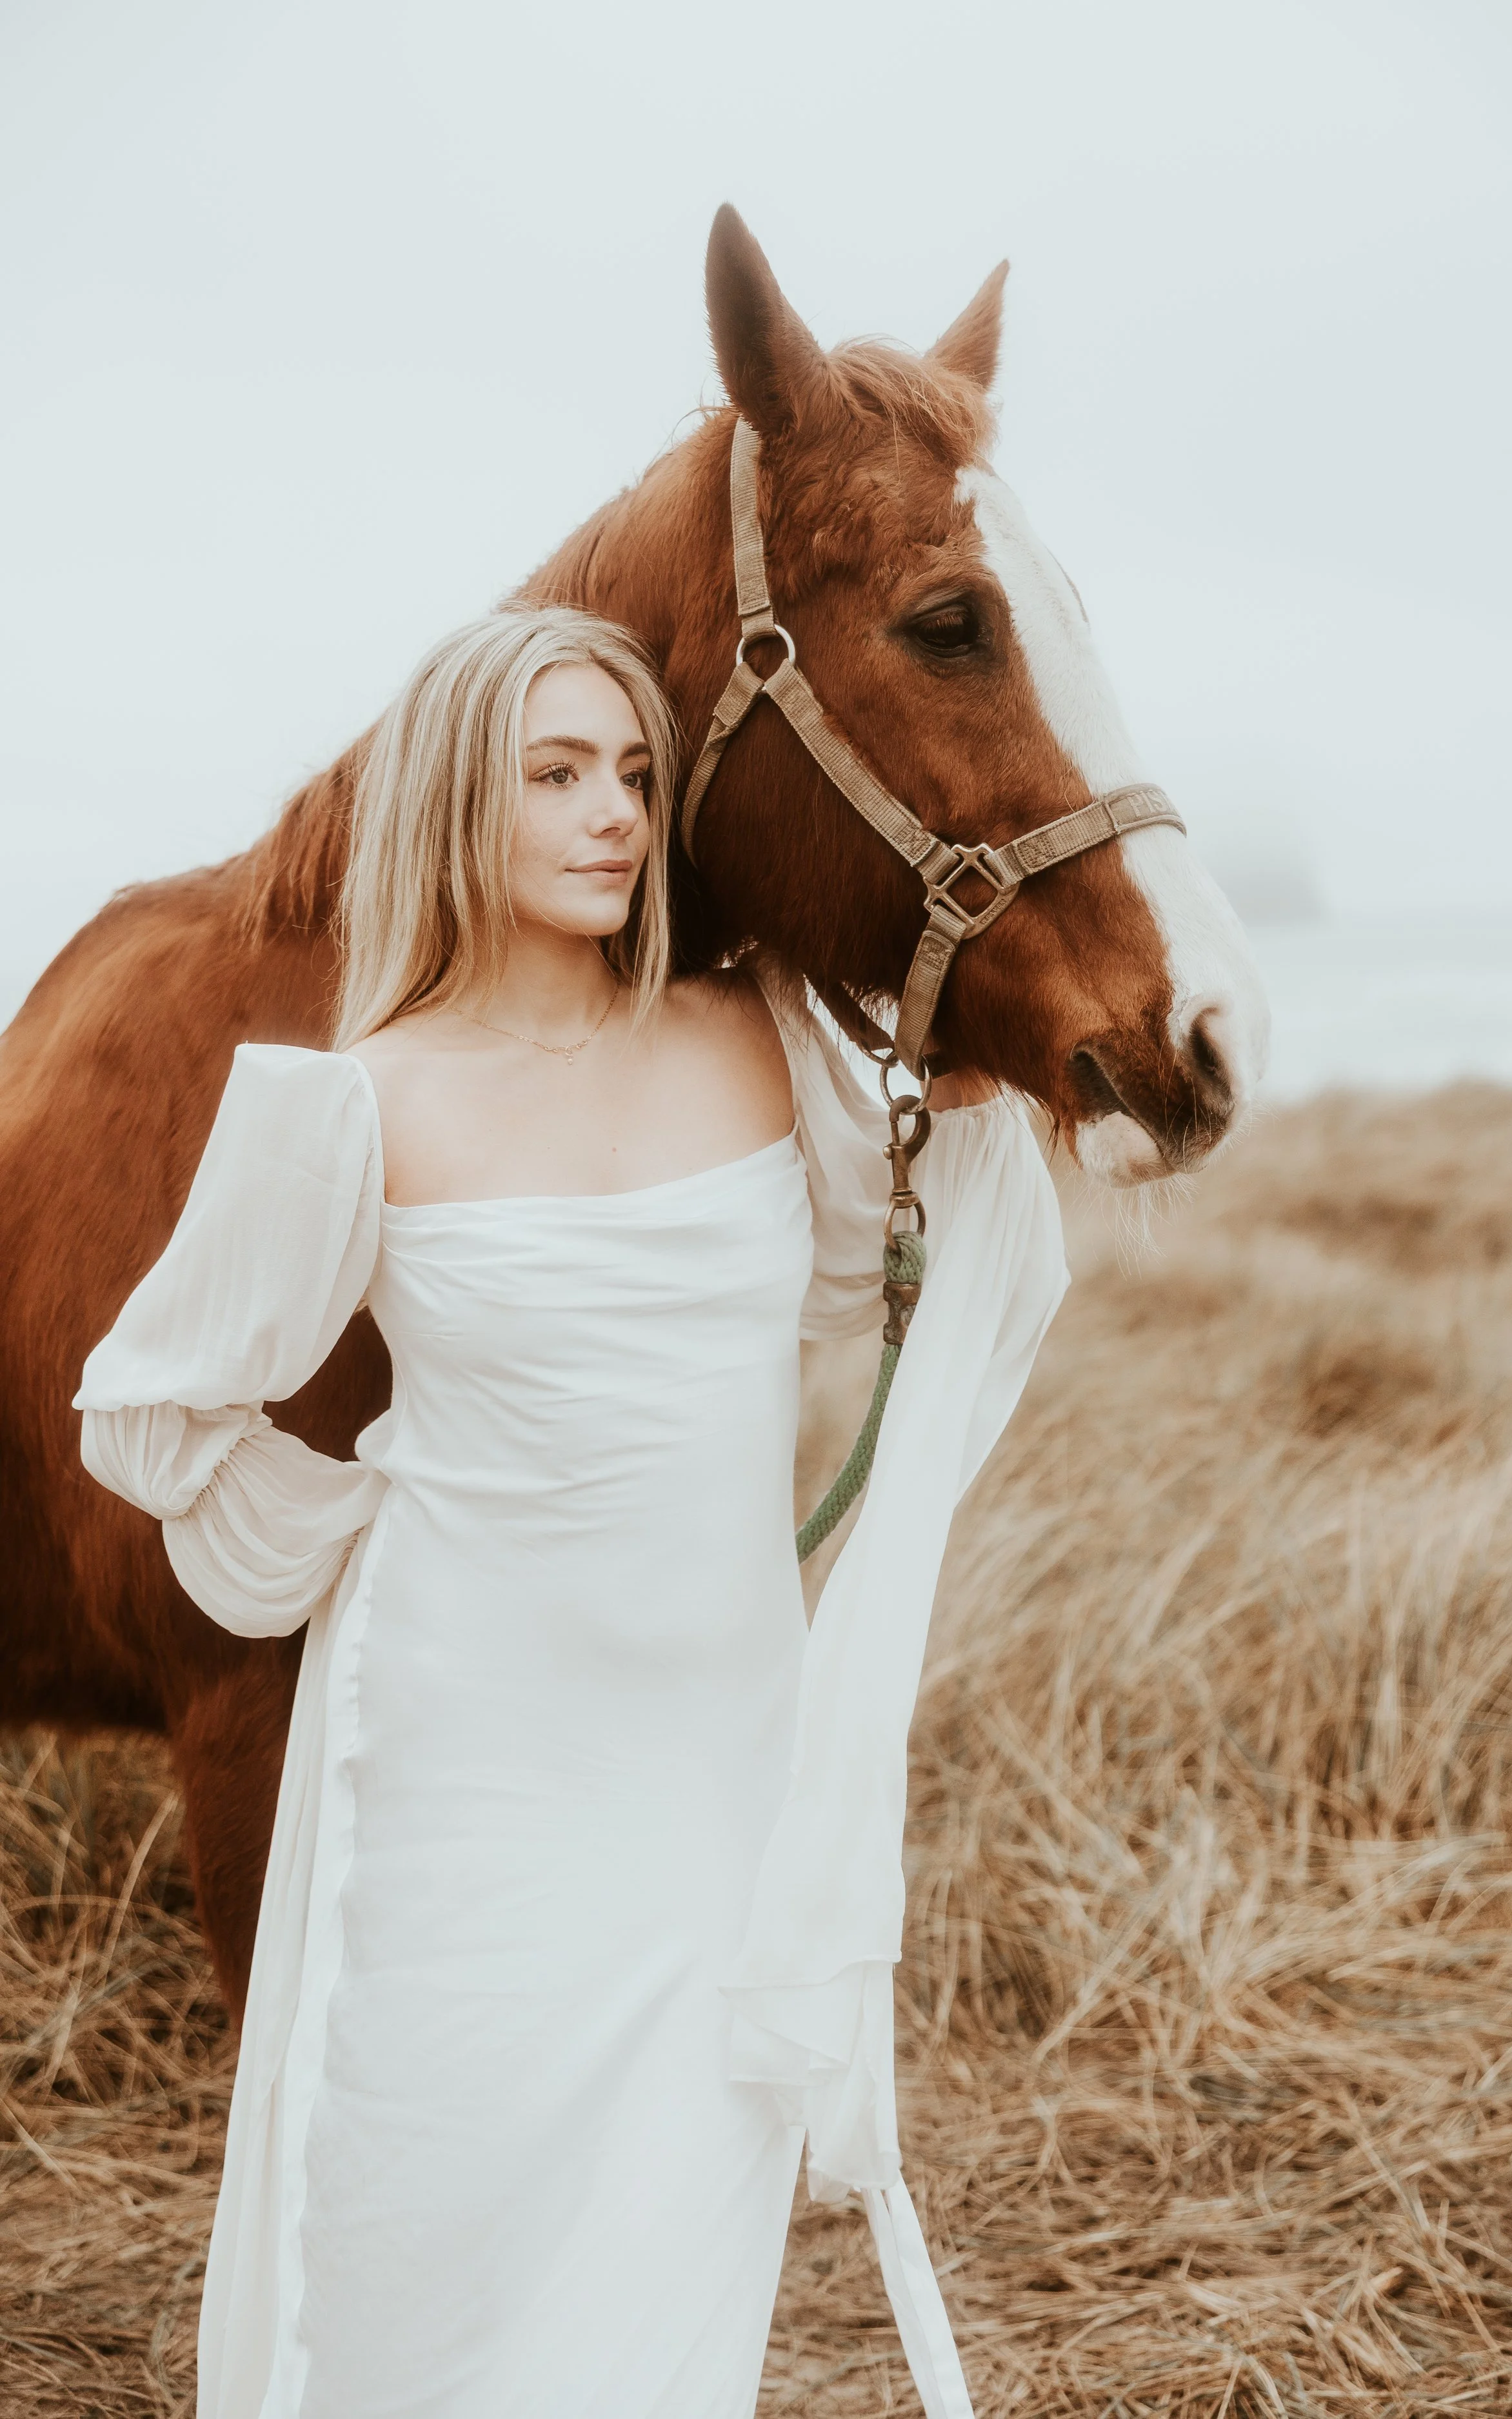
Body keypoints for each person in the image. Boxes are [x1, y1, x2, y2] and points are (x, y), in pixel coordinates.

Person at [75, 606, 1068, 2419]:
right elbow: (154, 1406)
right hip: (457, 1754)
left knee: (675, 2205)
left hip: (714, 1752)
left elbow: (874, 1274)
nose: (611, 815)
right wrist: (348, 1521)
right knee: (418, 2200)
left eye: (629, 773)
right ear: (461, 802)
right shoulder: (357, 1100)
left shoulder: (757, 1040)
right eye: (553, 775)